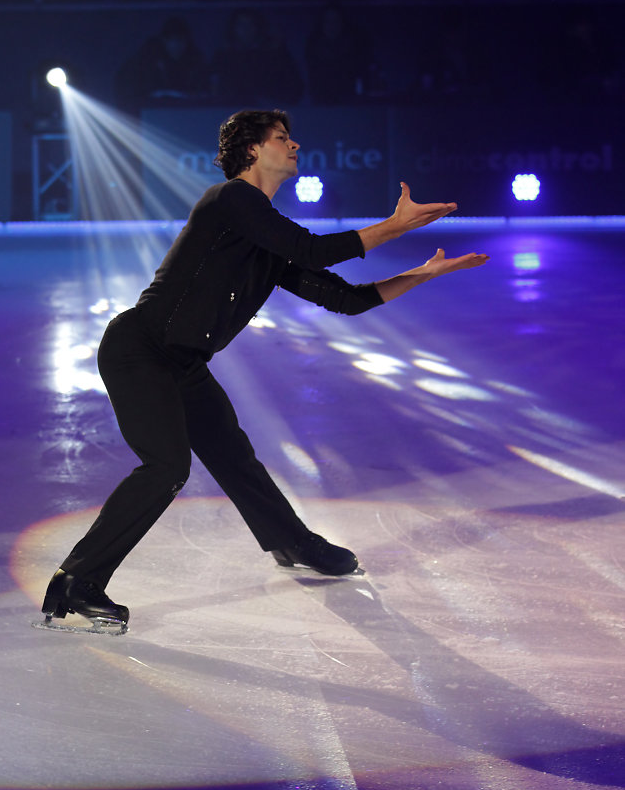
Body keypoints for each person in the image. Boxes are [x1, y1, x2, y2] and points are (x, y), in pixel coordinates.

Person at [39, 109, 489, 631]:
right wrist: (393, 226)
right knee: (166, 467)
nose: (294, 145)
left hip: (184, 362)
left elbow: (346, 300)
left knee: (236, 459)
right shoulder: (230, 199)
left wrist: (423, 273)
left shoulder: (268, 238)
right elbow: (313, 249)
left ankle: (292, 542)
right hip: (141, 350)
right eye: (282, 138)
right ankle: (78, 579)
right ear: (253, 151)